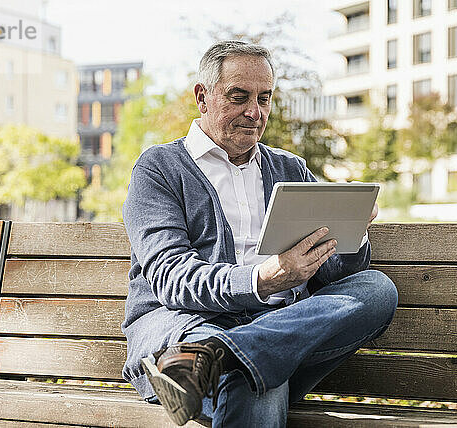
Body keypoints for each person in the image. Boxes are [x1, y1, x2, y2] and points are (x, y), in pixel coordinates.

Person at [121, 40, 398, 427]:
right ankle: (230, 354)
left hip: (265, 337)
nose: (255, 112)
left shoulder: (290, 168)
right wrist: (261, 279)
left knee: (375, 288)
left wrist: (354, 227)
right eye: (239, 97)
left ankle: (225, 354)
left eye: (264, 98)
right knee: (257, 379)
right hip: (188, 331)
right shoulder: (160, 169)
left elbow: (335, 275)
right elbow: (171, 277)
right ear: (202, 97)